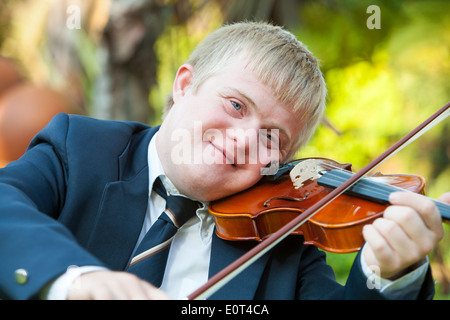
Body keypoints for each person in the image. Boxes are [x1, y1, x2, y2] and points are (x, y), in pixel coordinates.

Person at [0, 22, 447, 300]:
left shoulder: (282, 243)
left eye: (274, 137)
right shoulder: (79, 149)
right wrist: (74, 281)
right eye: (236, 105)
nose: (245, 140)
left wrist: (389, 274)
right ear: (184, 85)